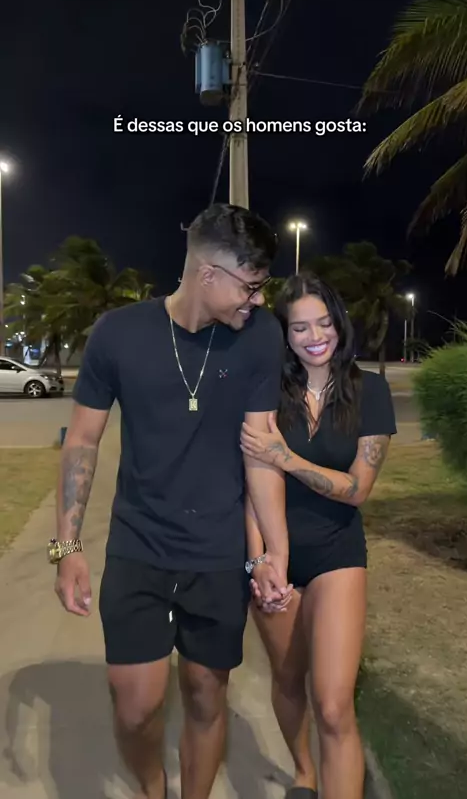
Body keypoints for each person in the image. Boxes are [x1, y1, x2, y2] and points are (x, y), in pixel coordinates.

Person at [49, 203, 293, 799]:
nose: (258, 299)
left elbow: (261, 452)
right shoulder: (118, 333)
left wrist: (273, 554)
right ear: (208, 273)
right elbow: (82, 442)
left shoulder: (261, 335)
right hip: (139, 548)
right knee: (136, 708)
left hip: (217, 553)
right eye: (251, 286)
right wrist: (66, 547)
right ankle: (153, 786)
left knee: (207, 694)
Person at [241, 272, 396, 799]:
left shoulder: (369, 391)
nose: (315, 337)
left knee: (332, 703)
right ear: (284, 334)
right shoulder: (265, 391)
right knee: (288, 681)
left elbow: (357, 488)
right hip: (274, 559)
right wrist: (259, 561)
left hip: (337, 553)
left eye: (324, 323)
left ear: (340, 325)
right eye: (300, 327)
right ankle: (304, 774)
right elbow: (251, 486)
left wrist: (286, 457)